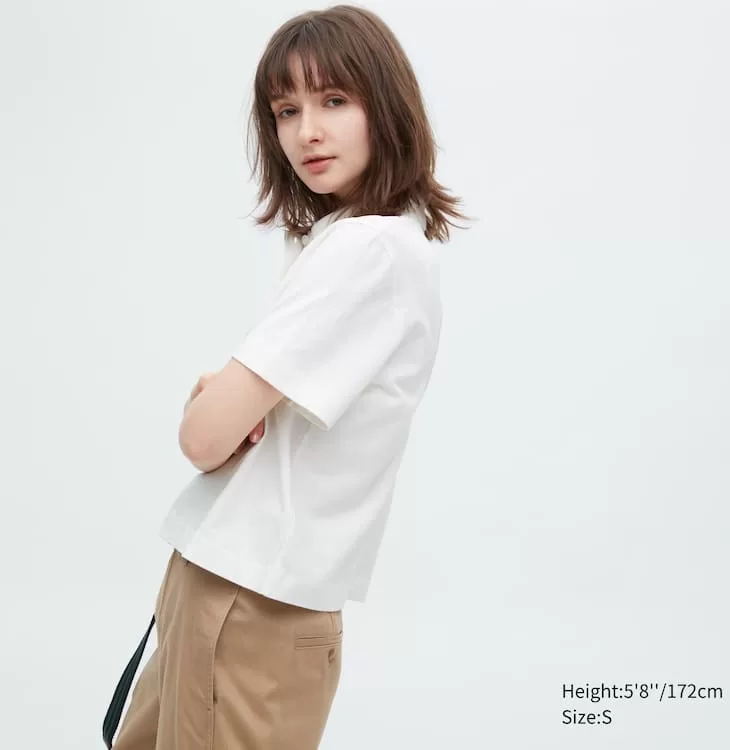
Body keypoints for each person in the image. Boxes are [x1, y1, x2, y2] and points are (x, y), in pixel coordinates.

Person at [104, 4, 467, 749]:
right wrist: (223, 408)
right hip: (233, 584)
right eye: (286, 111)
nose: (307, 132)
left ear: (387, 106)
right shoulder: (354, 243)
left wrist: (216, 400)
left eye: (334, 100)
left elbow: (204, 438)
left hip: (251, 599)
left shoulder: (368, 251)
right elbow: (221, 430)